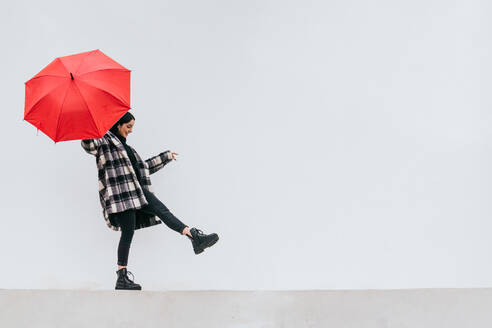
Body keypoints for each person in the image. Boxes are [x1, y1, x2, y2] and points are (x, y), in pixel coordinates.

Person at [81, 111, 219, 290]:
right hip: (121, 196)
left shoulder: (127, 148)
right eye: (128, 127)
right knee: (128, 232)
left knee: (162, 210)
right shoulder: (104, 142)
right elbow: (89, 145)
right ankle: (121, 277)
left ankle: (194, 236)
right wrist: (87, 125)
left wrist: (166, 157)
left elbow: (144, 167)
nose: (131, 131)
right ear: (118, 125)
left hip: (136, 192)